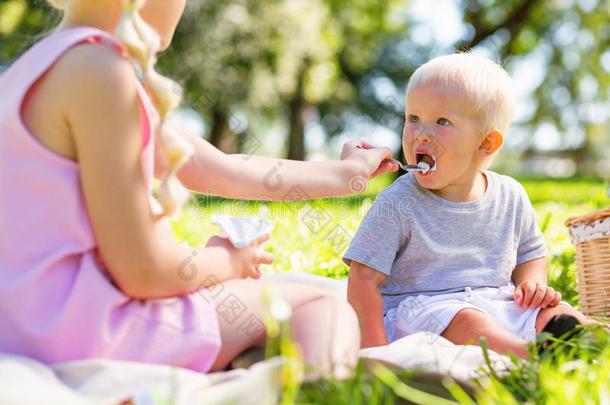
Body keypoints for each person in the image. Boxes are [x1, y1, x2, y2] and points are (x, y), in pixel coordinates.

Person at [0, 0, 398, 378]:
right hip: (85, 336)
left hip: (19, 330)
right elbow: (143, 270)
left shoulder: (37, 70)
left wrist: (348, 173)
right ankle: (315, 392)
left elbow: (225, 171)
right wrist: (226, 262)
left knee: (265, 304)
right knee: (320, 302)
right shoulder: (101, 74)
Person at [344, 53, 595, 358]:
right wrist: (373, 347)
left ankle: (585, 338)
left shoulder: (510, 195)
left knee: (556, 311)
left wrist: (532, 285)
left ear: (485, 144)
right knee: (469, 321)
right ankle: (530, 355)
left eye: (442, 121)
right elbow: (363, 278)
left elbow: (529, 253)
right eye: (413, 118)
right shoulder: (397, 202)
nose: (420, 133)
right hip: (424, 310)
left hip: (497, 301)